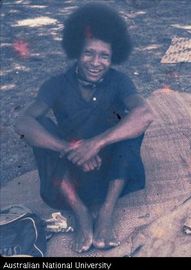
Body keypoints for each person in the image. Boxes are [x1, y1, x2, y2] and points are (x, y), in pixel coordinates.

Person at [15, 2, 153, 253]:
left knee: (132, 121)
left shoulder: (119, 81)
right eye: (89, 53)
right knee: (41, 126)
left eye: (104, 56)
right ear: (76, 52)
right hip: (70, 179)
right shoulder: (56, 84)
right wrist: (70, 149)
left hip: (113, 175)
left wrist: (95, 144)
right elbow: (22, 122)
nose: (96, 62)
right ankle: (80, 213)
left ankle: (105, 213)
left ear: (113, 58)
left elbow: (145, 114)